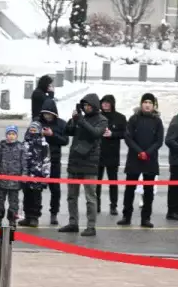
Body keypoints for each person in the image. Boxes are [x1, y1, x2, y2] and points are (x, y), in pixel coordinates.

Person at [60, 93, 105, 237]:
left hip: (90, 163)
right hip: (75, 161)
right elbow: (68, 131)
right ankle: (73, 223)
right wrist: (73, 120)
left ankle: (91, 226)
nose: (86, 108)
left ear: (95, 106)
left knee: (90, 197)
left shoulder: (102, 120)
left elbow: (95, 133)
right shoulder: (81, 118)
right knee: (71, 196)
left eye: (89, 105)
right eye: (84, 105)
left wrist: (81, 121)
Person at [119, 92, 164, 228]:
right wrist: (139, 152)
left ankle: (146, 218)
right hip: (134, 158)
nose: (147, 105)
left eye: (150, 103)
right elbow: (128, 137)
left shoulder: (157, 121)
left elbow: (159, 141)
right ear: (141, 104)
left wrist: (147, 153)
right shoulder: (134, 119)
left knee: (148, 190)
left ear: (154, 105)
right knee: (129, 189)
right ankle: (126, 216)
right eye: (145, 102)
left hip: (150, 159)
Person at [38, 97, 69, 225]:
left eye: (49, 114)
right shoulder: (37, 122)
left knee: (55, 189)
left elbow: (65, 140)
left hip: (54, 161)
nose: (47, 116)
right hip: (38, 161)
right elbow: (28, 137)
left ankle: (54, 213)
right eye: (45, 114)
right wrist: (38, 134)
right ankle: (34, 213)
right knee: (36, 188)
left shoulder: (61, 124)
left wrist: (52, 135)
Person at [97, 95, 126, 216]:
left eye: (107, 103)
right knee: (97, 181)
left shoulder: (120, 117)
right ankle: (96, 204)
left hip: (112, 153)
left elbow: (125, 133)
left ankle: (113, 205)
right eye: (103, 103)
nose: (105, 105)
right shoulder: (96, 116)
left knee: (113, 181)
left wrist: (113, 134)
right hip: (97, 153)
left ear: (112, 104)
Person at [0, 125, 25, 227]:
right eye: (9, 134)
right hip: (2, 180)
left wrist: (23, 177)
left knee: (14, 203)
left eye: (13, 134)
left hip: (15, 182)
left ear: (16, 135)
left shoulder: (20, 147)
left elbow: (24, 163)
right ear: (6, 135)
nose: (11, 136)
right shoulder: (1, 147)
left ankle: (12, 219)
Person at [19, 121, 50, 228]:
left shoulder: (44, 144)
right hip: (26, 175)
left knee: (36, 198)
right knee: (27, 196)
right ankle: (27, 216)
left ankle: (34, 217)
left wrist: (45, 177)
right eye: (31, 130)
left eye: (34, 130)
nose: (32, 132)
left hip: (38, 176)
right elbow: (21, 159)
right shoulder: (24, 143)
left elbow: (46, 161)